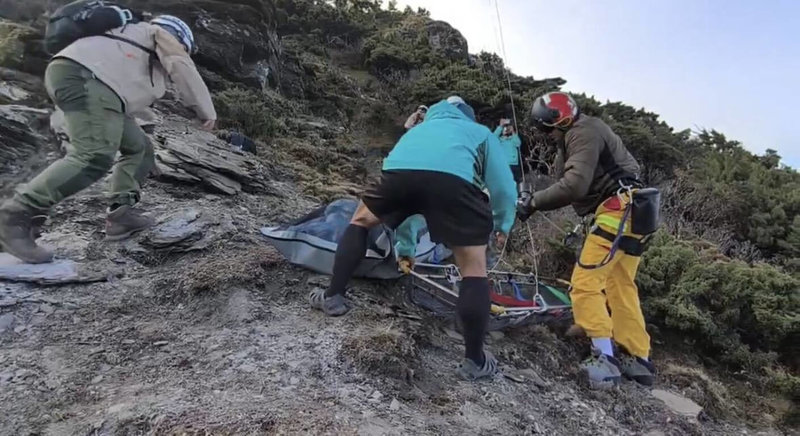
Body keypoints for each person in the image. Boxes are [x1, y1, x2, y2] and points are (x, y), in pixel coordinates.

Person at [309, 96, 517, 380]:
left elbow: (413, 199)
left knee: (360, 220)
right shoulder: (479, 133)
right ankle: (474, 361)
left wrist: (405, 248)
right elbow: (503, 187)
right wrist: (503, 224)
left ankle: (333, 297)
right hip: (456, 183)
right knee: (473, 267)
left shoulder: (418, 130)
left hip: (399, 174)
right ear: (468, 117)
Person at [0, 15, 216, 264]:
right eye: (185, 47)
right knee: (94, 155)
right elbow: (180, 63)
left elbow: (134, 111)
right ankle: (14, 215)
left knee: (140, 148)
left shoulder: (130, 51)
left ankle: (120, 216)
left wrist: (146, 152)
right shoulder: (155, 32)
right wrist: (206, 112)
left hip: (96, 86)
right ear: (179, 38)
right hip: (85, 78)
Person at [516, 91, 657, 388]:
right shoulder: (588, 130)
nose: (547, 135)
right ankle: (638, 358)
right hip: (636, 213)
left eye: (547, 128)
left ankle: (604, 358)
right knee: (620, 286)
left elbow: (574, 185)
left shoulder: (582, 132)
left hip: (616, 213)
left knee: (584, 284)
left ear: (561, 120)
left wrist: (533, 202)